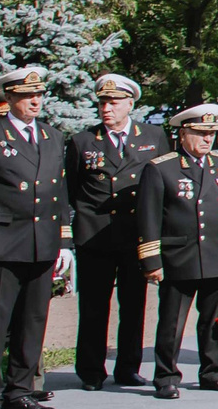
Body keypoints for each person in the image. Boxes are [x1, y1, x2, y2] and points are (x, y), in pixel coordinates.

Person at [0, 66, 71, 409]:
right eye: (25, 96)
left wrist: (64, 242)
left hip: (42, 243)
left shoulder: (52, 136)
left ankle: (20, 391)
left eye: (38, 95)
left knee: (32, 321)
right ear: (9, 98)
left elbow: (59, 192)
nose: (34, 101)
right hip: (1, 245)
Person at [64, 73, 166, 391]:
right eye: (103, 103)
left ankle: (128, 367)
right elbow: (71, 190)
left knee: (134, 305)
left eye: (114, 102)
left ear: (130, 104)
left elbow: (163, 184)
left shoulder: (153, 136)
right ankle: (91, 370)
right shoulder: (83, 141)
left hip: (136, 235)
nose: (107, 108)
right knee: (93, 306)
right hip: (95, 235)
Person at [135, 104, 218, 398]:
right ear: (183, 134)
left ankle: (212, 372)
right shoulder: (162, 168)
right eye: (200, 133)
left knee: (214, 321)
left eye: (211, 133)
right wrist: (151, 260)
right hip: (179, 257)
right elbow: (148, 218)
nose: (207, 139)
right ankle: (166, 376)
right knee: (172, 322)